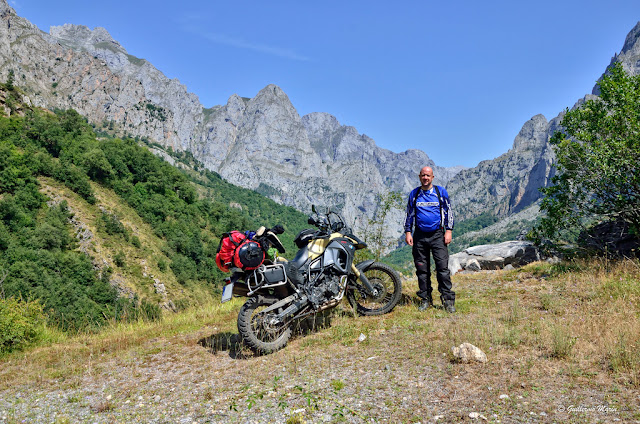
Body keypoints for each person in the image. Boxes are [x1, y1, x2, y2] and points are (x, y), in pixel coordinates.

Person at [404, 166, 456, 313]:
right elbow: (409, 214)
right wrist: (408, 232)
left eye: (428, 175)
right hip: (419, 236)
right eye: (423, 175)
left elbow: (449, 211)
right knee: (422, 270)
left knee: (442, 269)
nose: (425, 178)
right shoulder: (414, 194)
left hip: (438, 235)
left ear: (433, 177)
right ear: (419, 177)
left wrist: (449, 230)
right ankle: (425, 299)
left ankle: (448, 301)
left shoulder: (440, 192)